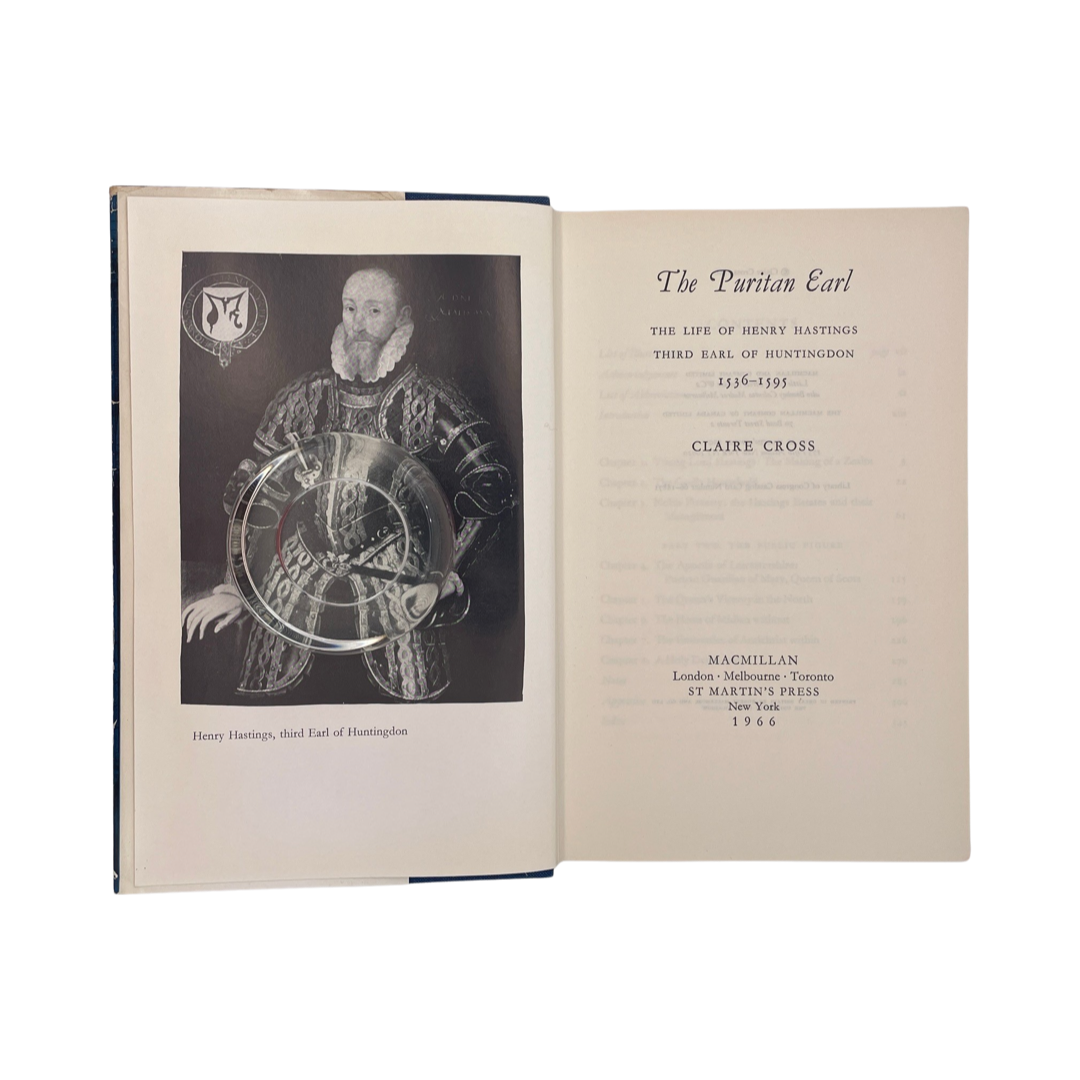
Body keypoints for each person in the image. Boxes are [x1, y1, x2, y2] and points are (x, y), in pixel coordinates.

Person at [182, 267, 515, 701]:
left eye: (374, 311)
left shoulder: (428, 399)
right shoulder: (303, 396)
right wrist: (236, 589)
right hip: (295, 579)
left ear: (402, 317)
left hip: (400, 579)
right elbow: (251, 495)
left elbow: (492, 488)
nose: (358, 324)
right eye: (351, 309)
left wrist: (446, 574)